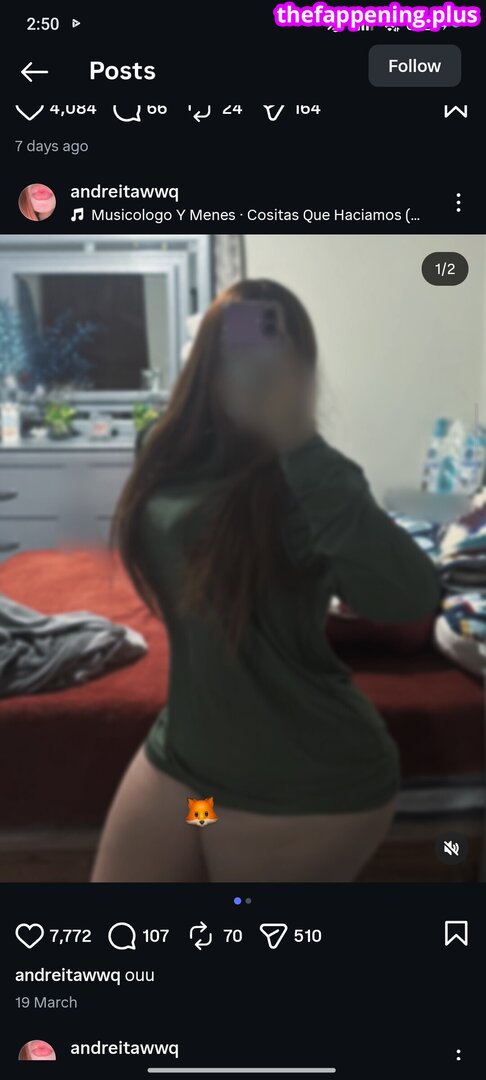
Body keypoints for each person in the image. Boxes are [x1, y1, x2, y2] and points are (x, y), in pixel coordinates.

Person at [91, 279, 440, 883]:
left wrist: (297, 439)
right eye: (236, 344)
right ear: (207, 356)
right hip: (188, 766)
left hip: (299, 784)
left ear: (298, 368)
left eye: (273, 350)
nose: (251, 365)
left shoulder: (312, 480)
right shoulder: (165, 448)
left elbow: (409, 596)